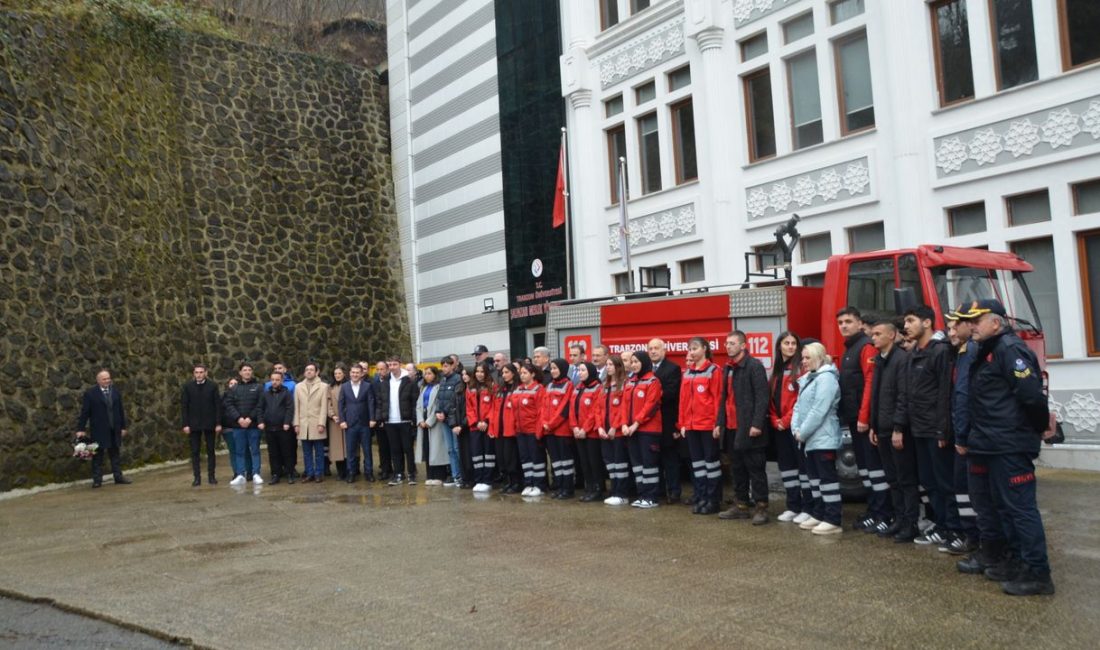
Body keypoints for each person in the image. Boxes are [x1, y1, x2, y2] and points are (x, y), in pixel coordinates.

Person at [962, 299, 1053, 596]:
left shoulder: (1009, 349)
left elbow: (1031, 397)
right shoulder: (985, 351)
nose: (971, 326)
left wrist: (1038, 429)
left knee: (1021, 510)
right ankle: (1015, 562)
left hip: (1009, 444)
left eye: (977, 321)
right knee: (1002, 507)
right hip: (990, 443)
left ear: (996, 323)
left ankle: (1038, 573)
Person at [901, 305, 959, 547]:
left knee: (945, 482)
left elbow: (944, 393)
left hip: (936, 430)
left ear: (927, 323)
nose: (905, 326)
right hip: (919, 429)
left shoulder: (940, 351)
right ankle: (940, 523)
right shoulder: (916, 353)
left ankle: (953, 529)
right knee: (929, 480)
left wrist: (942, 430)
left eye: (911, 320)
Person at [836, 307, 892, 532]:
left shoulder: (865, 347)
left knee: (874, 469)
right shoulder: (850, 349)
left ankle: (883, 514)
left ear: (860, 324)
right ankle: (873, 510)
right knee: (866, 470)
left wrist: (863, 417)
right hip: (853, 418)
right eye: (840, 322)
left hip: (863, 421)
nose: (844, 326)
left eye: (848, 321)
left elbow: (870, 383)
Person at [868, 318, 919, 542]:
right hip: (882, 428)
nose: (874, 337)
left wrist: (899, 427)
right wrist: (873, 425)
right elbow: (876, 396)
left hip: (897, 431)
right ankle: (899, 519)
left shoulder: (901, 359)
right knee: (892, 478)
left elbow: (903, 396)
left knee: (905, 478)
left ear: (891, 335)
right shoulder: (880, 360)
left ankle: (910, 523)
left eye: (878, 334)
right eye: (873, 334)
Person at [716, 331, 771, 524]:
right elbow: (724, 398)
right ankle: (741, 506)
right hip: (732, 429)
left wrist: (757, 424)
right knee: (737, 468)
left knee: (755, 469)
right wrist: (719, 423)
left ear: (743, 345)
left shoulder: (754, 366)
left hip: (749, 429)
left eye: (732, 343)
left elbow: (762, 397)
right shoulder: (728, 368)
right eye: (726, 343)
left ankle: (761, 508)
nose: (728, 346)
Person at [791, 342, 842, 535]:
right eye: (802, 358)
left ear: (819, 358)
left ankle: (833, 519)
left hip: (823, 438)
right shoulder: (809, 379)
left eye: (807, 358)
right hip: (809, 439)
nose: (803, 362)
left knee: (827, 479)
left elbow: (819, 410)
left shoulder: (826, 379)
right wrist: (796, 429)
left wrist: (801, 432)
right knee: (814, 479)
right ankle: (819, 513)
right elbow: (798, 407)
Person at [944, 313, 980, 555]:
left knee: (971, 489)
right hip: (962, 432)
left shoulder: (972, 352)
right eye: (949, 328)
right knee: (962, 487)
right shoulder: (961, 354)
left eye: (955, 327)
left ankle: (976, 538)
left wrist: (963, 436)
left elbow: (965, 396)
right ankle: (970, 535)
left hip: (971, 435)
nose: (951, 333)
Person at [769, 332, 811, 523]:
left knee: (802, 468)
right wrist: (774, 420)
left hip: (795, 427)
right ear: (779, 346)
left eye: (794, 343)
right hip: (779, 427)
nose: (791, 346)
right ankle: (793, 506)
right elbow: (771, 400)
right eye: (786, 343)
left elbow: (799, 400)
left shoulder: (801, 369)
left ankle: (807, 508)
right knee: (786, 468)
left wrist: (785, 421)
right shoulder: (776, 371)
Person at [679, 337, 722, 515]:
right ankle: (702, 496)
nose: (691, 352)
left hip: (707, 426)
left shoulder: (713, 370)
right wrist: (682, 423)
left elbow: (718, 398)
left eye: (695, 348)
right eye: (690, 349)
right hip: (691, 426)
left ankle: (713, 500)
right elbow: (683, 401)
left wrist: (717, 424)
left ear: (704, 349)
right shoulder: (688, 372)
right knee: (698, 464)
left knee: (711, 464)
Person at [76, 368, 131, 488]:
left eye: (108, 378)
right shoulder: (90, 394)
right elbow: (85, 412)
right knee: (97, 455)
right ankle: (97, 480)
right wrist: (81, 429)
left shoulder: (115, 392)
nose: (107, 381)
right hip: (99, 429)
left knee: (115, 454)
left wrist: (123, 427)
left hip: (114, 428)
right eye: (104, 379)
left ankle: (118, 477)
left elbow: (120, 411)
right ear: (98, 380)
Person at [623, 351, 663, 509]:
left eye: (636, 361)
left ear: (644, 362)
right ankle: (642, 495)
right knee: (637, 465)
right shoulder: (630, 382)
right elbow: (624, 406)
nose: (633, 364)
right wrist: (625, 424)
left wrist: (636, 423)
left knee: (649, 465)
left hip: (648, 430)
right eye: (632, 362)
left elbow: (651, 406)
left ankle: (651, 497)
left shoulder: (653, 381)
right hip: (632, 430)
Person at [648, 338, 684, 505]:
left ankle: (674, 492)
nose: (653, 351)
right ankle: (660, 491)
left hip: (667, 422)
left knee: (670, 459)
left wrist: (651, 396)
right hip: (649, 423)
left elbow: (671, 393)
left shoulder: (673, 368)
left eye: (656, 348)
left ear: (664, 351)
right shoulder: (645, 368)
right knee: (654, 459)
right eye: (650, 348)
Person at [181, 364, 221, 486]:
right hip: (194, 424)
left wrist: (218, 423)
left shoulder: (213, 386)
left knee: (210, 450)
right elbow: (184, 406)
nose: (199, 374)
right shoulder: (187, 387)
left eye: (201, 372)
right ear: (194, 374)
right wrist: (185, 424)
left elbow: (217, 406)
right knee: (195, 451)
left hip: (209, 423)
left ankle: (211, 476)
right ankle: (197, 477)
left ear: (206, 373)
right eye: (196, 372)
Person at [381, 357, 419, 485]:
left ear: (400, 365)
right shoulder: (385, 381)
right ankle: (398, 474)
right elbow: (382, 401)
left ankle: (412, 474)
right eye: (390, 364)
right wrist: (382, 417)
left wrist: (414, 419)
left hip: (405, 420)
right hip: (390, 421)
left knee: (408, 448)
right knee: (395, 449)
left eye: (394, 364)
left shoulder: (409, 381)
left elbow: (415, 402)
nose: (392, 367)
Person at [542, 358, 577, 499]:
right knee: (556, 461)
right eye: (552, 368)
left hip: (562, 430)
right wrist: (545, 422)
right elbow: (544, 406)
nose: (553, 371)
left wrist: (551, 423)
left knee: (566, 461)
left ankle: (568, 489)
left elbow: (565, 408)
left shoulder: (569, 385)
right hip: (549, 430)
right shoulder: (549, 385)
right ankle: (560, 486)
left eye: (556, 368)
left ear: (562, 369)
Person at [598, 355, 630, 505]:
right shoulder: (604, 386)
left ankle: (622, 494)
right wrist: (599, 427)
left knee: (620, 463)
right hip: (604, 432)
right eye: (607, 364)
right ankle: (614, 491)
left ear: (618, 367)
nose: (608, 367)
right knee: (610, 464)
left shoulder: (624, 384)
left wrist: (614, 427)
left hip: (616, 432)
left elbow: (623, 409)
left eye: (611, 364)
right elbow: (598, 409)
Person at [225, 363, 264, 486]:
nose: (247, 372)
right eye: (244, 370)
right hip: (238, 426)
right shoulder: (234, 388)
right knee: (239, 451)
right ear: (240, 373)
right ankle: (240, 474)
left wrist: (249, 418)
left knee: (255, 450)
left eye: (249, 370)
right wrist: (239, 418)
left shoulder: (258, 387)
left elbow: (260, 405)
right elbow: (229, 404)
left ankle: (256, 473)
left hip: (253, 425)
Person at [571, 362, 605, 502]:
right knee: (584, 462)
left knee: (594, 462)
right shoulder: (577, 388)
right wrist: (574, 427)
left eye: (583, 370)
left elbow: (595, 411)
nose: (580, 373)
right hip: (578, 432)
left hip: (591, 433)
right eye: (579, 370)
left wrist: (585, 429)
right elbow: (572, 410)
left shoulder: (598, 388)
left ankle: (598, 489)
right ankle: (589, 487)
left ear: (590, 371)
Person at [511, 363, 547, 496]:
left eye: (525, 373)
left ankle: (539, 485)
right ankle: (528, 483)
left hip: (533, 431)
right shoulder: (518, 389)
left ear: (532, 374)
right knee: (525, 459)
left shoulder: (538, 389)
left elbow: (541, 412)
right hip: (521, 431)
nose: (522, 375)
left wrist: (538, 432)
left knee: (536, 458)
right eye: (521, 373)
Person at [339, 364, 377, 483]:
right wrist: (342, 420)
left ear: (361, 374)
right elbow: (341, 404)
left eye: (357, 373)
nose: (355, 374)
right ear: (349, 373)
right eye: (353, 372)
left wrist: (372, 419)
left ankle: (369, 472)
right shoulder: (344, 387)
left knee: (367, 450)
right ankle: (351, 472)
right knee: (350, 450)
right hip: (350, 424)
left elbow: (371, 403)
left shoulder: (367, 386)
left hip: (365, 423)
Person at [259, 370, 295, 484]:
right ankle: (275, 474)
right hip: (269, 428)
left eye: (277, 380)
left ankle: (290, 473)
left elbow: (290, 408)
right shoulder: (265, 393)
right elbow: (260, 408)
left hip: (283, 428)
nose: (274, 382)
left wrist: (287, 422)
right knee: (273, 453)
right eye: (273, 380)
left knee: (287, 451)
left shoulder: (287, 393)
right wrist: (260, 421)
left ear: (282, 381)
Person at [294, 363, 328, 483]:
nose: (308, 371)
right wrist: (296, 424)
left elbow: (324, 406)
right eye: (306, 369)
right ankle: (309, 473)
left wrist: (321, 423)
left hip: (316, 423)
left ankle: (319, 473)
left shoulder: (324, 387)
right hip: (303, 424)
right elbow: (296, 407)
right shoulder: (298, 387)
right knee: (306, 452)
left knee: (319, 451)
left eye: (311, 370)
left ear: (317, 372)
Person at [466, 362, 497, 492]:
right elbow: (469, 408)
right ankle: (478, 479)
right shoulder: (470, 387)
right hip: (475, 426)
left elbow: (494, 406)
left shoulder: (492, 386)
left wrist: (486, 421)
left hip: (488, 426)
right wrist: (476, 422)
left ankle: (488, 480)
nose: (479, 374)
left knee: (488, 453)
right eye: (477, 371)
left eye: (482, 372)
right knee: (477, 454)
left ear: (487, 373)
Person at [492, 362, 523, 493]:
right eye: (502, 373)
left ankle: (517, 483)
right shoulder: (501, 390)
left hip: (511, 430)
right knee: (502, 458)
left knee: (512, 458)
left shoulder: (518, 389)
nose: (504, 375)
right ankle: (508, 482)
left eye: (506, 372)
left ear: (513, 373)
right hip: (499, 429)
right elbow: (494, 409)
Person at [417, 367, 449, 485]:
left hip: (434, 422)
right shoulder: (423, 388)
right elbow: (419, 405)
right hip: (423, 420)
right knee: (427, 448)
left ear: (435, 375)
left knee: (436, 448)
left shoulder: (439, 387)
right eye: (425, 374)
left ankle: (439, 476)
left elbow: (437, 405)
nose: (427, 376)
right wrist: (420, 420)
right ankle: (429, 475)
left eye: (429, 373)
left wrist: (429, 421)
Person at [436, 357, 465, 486]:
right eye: (443, 366)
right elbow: (439, 398)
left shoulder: (458, 379)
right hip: (444, 420)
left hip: (454, 419)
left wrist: (444, 412)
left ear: (453, 366)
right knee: (450, 449)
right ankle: (455, 475)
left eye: (447, 366)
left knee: (457, 448)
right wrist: (438, 411)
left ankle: (462, 475)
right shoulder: (442, 380)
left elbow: (454, 399)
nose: (444, 368)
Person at [372, 361, 393, 480]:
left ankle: (396, 469)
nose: (380, 372)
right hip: (379, 419)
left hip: (392, 418)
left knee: (393, 446)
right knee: (382, 446)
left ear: (387, 369)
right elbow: (374, 402)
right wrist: (377, 418)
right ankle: (385, 469)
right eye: (378, 369)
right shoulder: (374, 383)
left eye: (382, 369)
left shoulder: (392, 382)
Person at [327, 364, 349, 480]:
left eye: (339, 373)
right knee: (337, 449)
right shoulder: (330, 387)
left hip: (347, 420)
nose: (337, 375)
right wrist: (333, 415)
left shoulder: (348, 386)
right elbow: (328, 403)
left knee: (348, 447)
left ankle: (350, 471)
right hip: (335, 422)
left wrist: (345, 416)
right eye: (335, 374)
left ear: (344, 374)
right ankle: (340, 472)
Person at [221, 377, 244, 480]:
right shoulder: (223, 398)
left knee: (243, 450)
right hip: (228, 428)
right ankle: (237, 472)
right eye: (231, 383)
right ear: (228, 385)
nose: (233, 385)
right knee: (233, 451)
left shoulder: (243, 397)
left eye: (235, 383)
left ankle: (246, 471)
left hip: (241, 427)